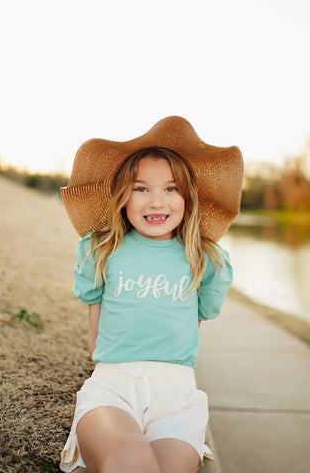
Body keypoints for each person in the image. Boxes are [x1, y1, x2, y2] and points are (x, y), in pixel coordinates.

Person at [60, 116, 244, 473]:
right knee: (131, 459)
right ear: (122, 196)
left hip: (175, 394)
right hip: (113, 387)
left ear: (188, 197)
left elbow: (195, 322)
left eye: (171, 188)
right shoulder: (103, 249)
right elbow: (94, 334)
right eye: (141, 188)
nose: (156, 202)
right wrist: (107, 359)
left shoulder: (205, 259)